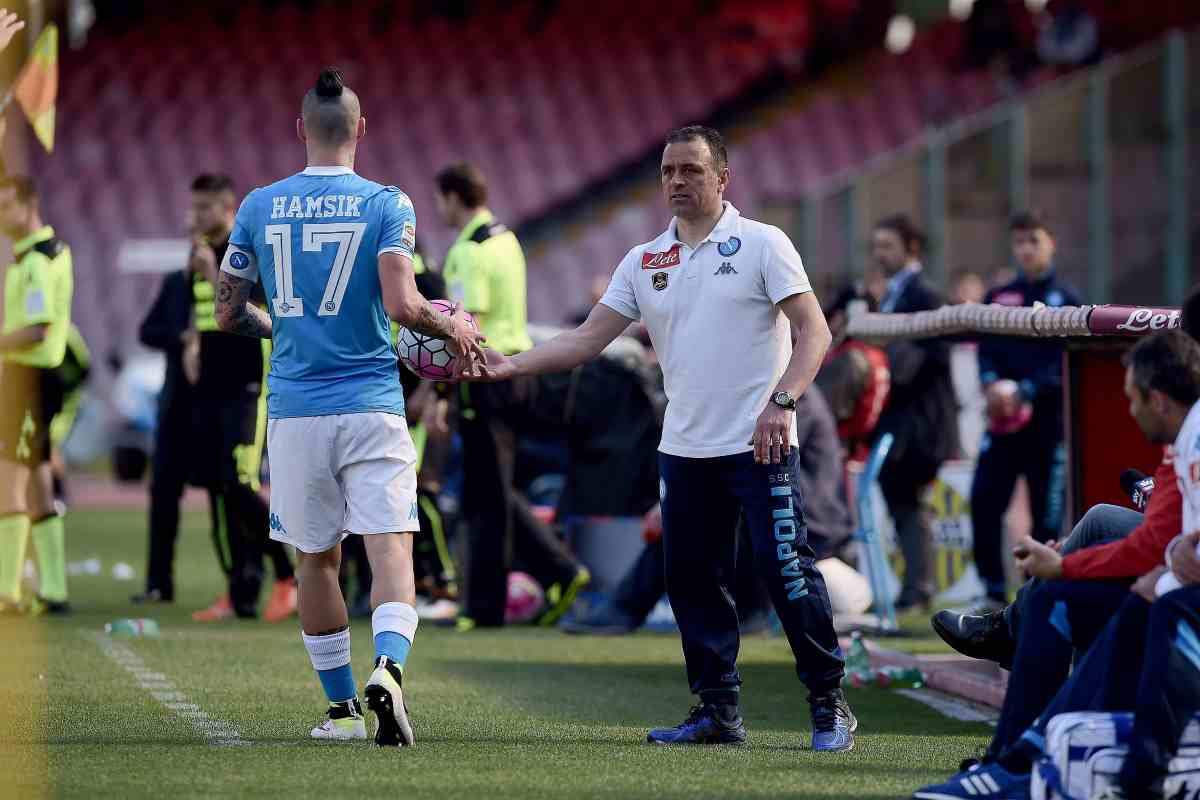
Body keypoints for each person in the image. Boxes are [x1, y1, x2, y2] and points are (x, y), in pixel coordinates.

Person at [468, 125, 856, 750]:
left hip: (760, 446)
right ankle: (717, 713)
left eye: (691, 171)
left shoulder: (763, 244)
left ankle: (828, 704)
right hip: (684, 452)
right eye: (668, 171)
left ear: (722, 179)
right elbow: (585, 340)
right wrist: (510, 362)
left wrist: (782, 405)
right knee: (692, 584)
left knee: (788, 575)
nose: (676, 181)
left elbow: (816, 333)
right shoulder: (645, 260)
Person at [214, 67, 485, 745]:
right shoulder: (389, 204)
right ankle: (389, 669)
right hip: (370, 403)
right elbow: (402, 306)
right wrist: (453, 329)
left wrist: (281, 327)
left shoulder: (257, 205)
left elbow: (226, 312)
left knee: (317, 561)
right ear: (361, 130)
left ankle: (341, 712)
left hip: (297, 409)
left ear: (300, 130)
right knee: (390, 548)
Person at [913, 329, 1200, 799]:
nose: (1129, 411)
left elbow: (1155, 548)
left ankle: (1033, 760)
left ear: (1158, 398)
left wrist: (1075, 565)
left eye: (1132, 399)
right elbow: (1156, 544)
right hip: (1173, 592)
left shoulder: (1192, 434)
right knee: (1059, 598)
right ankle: (1014, 761)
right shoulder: (1184, 439)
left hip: (1182, 604)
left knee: (1139, 599)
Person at [563, 386, 856, 636]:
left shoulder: (788, 397)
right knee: (695, 511)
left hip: (808, 522)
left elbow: (755, 462)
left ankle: (627, 608)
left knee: (695, 512)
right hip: (788, 510)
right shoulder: (779, 390)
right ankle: (632, 608)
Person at [433, 161, 588, 630]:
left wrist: (442, 385)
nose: (440, 208)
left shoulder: (468, 250)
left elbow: (467, 321)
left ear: (454, 197)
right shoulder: (507, 238)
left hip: (485, 374)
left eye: (441, 199)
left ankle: (487, 608)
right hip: (517, 370)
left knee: (485, 495)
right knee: (493, 488)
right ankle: (556, 572)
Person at [968, 211, 1081, 611]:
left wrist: (1025, 389)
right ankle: (991, 590)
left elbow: (1066, 362)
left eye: (1033, 240)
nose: (1025, 249)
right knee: (983, 500)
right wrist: (993, 383)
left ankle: (1039, 593)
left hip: (1047, 427)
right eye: (1019, 242)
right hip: (1001, 425)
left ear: (1051, 242)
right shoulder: (998, 297)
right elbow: (984, 347)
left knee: (1046, 517)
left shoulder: (1067, 301)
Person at [870, 214, 959, 611]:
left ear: (911, 249)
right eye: (877, 246)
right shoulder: (889, 293)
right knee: (901, 502)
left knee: (908, 502)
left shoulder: (926, 294)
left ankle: (917, 588)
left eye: (887, 246)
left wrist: (894, 364)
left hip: (921, 424)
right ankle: (914, 587)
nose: (879, 254)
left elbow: (936, 354)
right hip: (899, 421)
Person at [0, 176, 74, 614]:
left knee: (10, 479)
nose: (2, 216)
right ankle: (54, 589)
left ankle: (8, 591)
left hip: (29, 379)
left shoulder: (38, 261)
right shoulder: (42, 254)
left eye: (7, 206)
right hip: (34, 379)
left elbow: (39, 326)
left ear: (30, 204)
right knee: (39, 478)